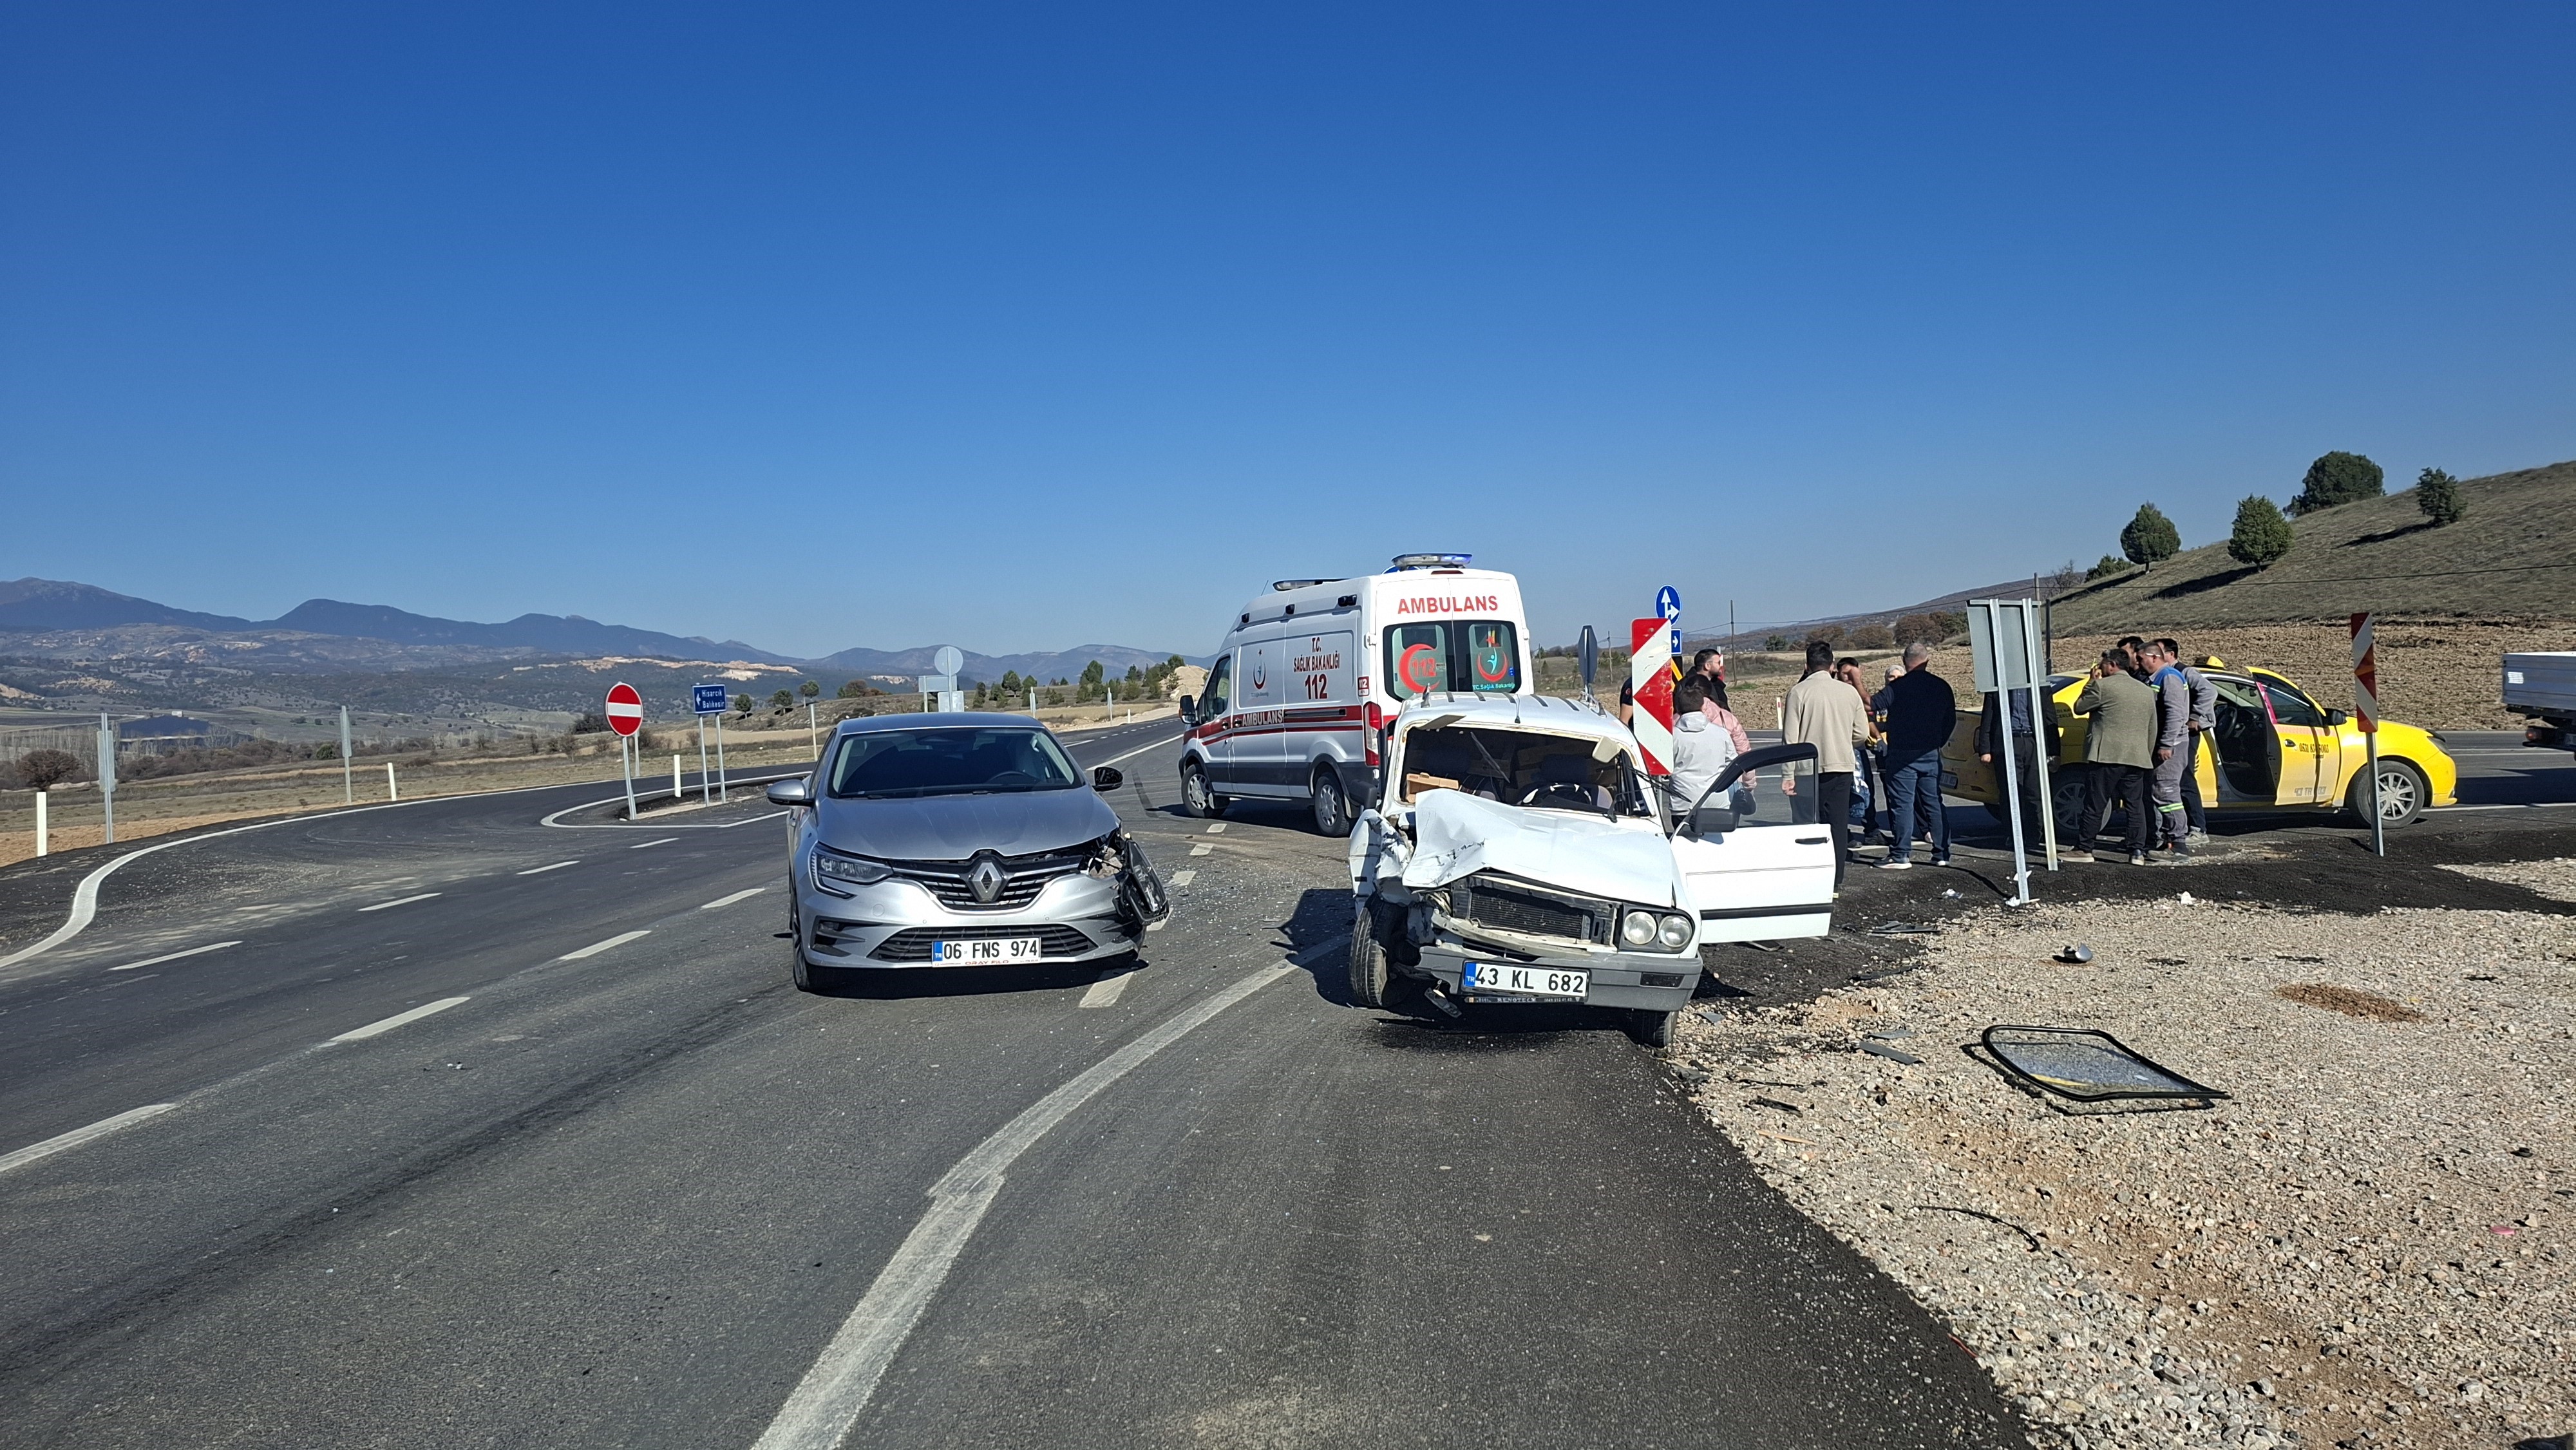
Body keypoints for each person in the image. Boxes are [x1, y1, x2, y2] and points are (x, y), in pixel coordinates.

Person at [1780, 640, 1871, 887]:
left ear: (1806, 666)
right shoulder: (1848, 692)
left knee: (1807, 825)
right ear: (1832, 666)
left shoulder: (1798, 692)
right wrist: (1843, 741)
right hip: (1840, 766)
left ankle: (1810, 877)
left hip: (1806, 769)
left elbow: (1791, 739)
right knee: (1838, 824)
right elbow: (1862, 734)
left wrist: (1787, 774)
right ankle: (1835, 880)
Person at [2070, 648, 2158, 864]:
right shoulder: (2146, 691)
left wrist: (2091, 682)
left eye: (2102, 664)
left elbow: (2080, 708)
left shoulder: (2102, 687)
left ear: (2112, 665)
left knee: (2095, 803)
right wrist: (2146, 754)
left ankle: (2085, 849)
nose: (2100, 668)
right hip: (2137, 757)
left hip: (2106, 756)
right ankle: (2137, 851)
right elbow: (2152, 727)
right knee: (2135, 806)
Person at [1875, 641, 1957, 870]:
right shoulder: (1941, 686)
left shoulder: (1898, 688)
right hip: (1930, 751)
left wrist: (1857, 681)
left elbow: (1871, 705)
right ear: (1927, 661)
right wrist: (1938, 741)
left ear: (1904, 661)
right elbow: (1950, 719)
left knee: (1903, 804)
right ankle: (1942, 852)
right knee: (1933, 802)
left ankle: (1901, 854)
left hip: (1902, 753)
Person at [1976, 677, 2060, 845]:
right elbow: (1988, 718)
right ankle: (2013, 834)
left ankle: (2034, 834)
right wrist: (1985, 749)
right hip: (2008, 743)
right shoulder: (1998, 686)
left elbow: (2050, 718)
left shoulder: (2040, 686)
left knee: (2034, 792)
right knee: (2010, 792)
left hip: (2033, 742)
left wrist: (2055, 752)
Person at [2137, 638, 2193, 860]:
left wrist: (2166, 744)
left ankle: (2178, 844)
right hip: (2167, 743)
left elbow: (2175, 714)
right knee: (2161, 791)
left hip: (2172, 746)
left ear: (2153, 657)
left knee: (2167, 792)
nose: (2139, 664)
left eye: (2141, 659)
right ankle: (2170, 840)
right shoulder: (2160, 677)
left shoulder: (2168, 677)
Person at [2172, 640, 2215, 847]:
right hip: (2177, 732)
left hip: (2189, 733)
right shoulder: (2168, 675)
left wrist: (2195, 717)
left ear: (2171, 654)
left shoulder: (2185, 673)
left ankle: (2198, 829)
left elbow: (2210, 692)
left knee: (2186, 778)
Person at [1834, 657, 1879, 847]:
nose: (1849, 678)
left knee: (1866, 788)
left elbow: (1868, 715)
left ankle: (1871, 830)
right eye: (1846, 674)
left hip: (1858, 748)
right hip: (1841, 749)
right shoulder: (1835, 692)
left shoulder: (1859, 693)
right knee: (1844, 794)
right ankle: (1844, 833)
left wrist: (1878, 738)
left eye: (1853, 674)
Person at [1687, 648, 1730, 714]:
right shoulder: (1687, 685)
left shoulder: (1718, 684)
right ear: (1707, 666)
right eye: (1718, 663)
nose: (1721, 666)